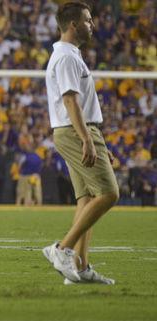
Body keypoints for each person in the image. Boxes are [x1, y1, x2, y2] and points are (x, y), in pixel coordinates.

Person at [42, 2, 118, 285]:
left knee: (86, 198)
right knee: (109, 194)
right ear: (73, 25)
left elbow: (79, 102)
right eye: (87, 20)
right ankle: (62, 249)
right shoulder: (67, 58)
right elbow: (70, 100)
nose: (92, 24)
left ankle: (81, 268)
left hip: (78, 131)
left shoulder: (69, 55)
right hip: (75, 131)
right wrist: (87, 138)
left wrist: (97, 140)